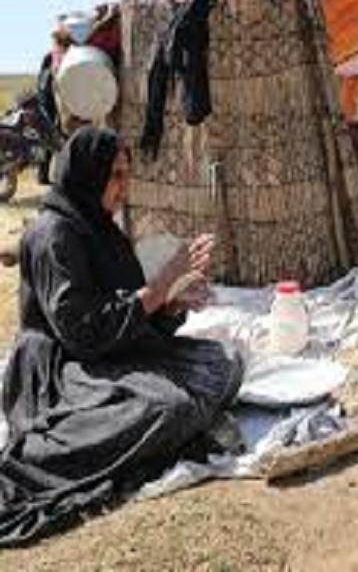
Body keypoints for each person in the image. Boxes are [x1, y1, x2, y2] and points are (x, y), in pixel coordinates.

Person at [0, 127, 243, 545]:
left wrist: (171, 304)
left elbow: (126, 310)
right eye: (115, 176)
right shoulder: (53, 235)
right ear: (88, 174)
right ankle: (42, 453)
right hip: (61, 369)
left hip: (107, 354)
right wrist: (158, 288)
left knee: (226, 362)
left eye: (127, 175)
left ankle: (168, 427)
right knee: (168, 407)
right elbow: (82, 333)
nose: (124, 187)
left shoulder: (101, 228)